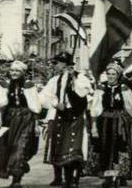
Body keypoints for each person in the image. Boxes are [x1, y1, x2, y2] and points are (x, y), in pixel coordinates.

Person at [40, 52, 93, 188]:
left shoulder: (80, 78)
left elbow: (84, 92)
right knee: (59, 146)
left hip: (76, 116)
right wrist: (56, 104)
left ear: (65, 64)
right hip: (61, 117)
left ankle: (73, 179)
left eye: (57, 63)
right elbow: (45, 95)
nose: (55, 65)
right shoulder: (55, 80)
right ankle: (62, 178)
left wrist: (73, 78)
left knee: (74, 147)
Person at [0, 60, 41, 187]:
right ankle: (12, 173)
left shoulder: (29, 85)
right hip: (9, 119)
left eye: (17, 71)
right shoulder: (4, 85)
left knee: (21, 147)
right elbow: (0, 104)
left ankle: (17, 180)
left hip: (25, 119)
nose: (14, 73)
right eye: (12, 70)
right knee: (7, 146)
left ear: (23, 72)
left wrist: (36, 124)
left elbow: (34, 105)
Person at [91, 62, 132, 188]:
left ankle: (120, 175)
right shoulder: (101, 88)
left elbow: (131, 107)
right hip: (105, 122)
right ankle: (108, 176)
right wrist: (94, 125)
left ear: (118, 75)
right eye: (109, 74)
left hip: (120, 122)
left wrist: (130, 124)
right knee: (106, 147)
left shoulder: (124, 88)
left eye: (113, 74)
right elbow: (95, 107)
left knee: (120, 147)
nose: (111, 76)